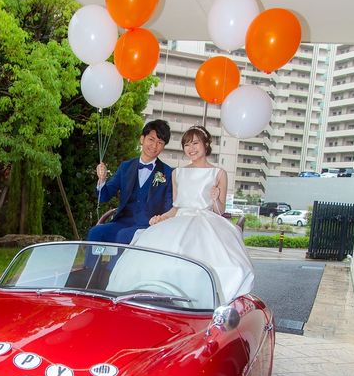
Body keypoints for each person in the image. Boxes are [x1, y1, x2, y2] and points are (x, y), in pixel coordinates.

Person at [107, 125, 254, 304]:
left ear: (206, 144)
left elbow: (219, 211)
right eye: (186, 145)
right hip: (179, 220)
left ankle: (200, 300)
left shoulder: (218, 173)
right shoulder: (178, 173)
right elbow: (176, 207)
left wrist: (215, 198)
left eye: (195, 143)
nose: (191, 148)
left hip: (205, 221)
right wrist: (162, 217)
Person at [86, 119, 173, 246]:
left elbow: (169, 206)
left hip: (149, 227)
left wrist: (159, 220)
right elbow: (104, 196)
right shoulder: (125, 167)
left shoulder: (168, 173)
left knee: (123, 235)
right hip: (122, 222)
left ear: (163, 146)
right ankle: (91, 261)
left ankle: (115, 261)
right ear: (142, 139)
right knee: (95, 232)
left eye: (160, 142)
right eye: (151, 139)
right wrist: (102, 179)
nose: (154, 146)